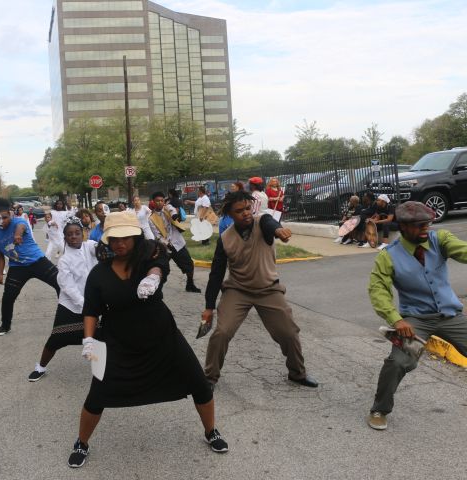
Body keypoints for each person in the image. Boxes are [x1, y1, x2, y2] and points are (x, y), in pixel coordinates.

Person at [66, 211, 228, 468]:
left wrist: (153, 277)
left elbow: (160, 263)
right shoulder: (98, 273)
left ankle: (211, 431)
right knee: (97, 394)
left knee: (199, 383)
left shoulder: (149, 255)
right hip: (114, 341)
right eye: (114, 239)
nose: (120, 244)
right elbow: (90, 311)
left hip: (162, 335)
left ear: (136, 236)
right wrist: (88, 340)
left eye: (126, 238)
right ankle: (81, 442)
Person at [202, 190, 318, 389]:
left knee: (289, 333)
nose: (246, 213)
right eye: (239, 211)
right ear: (230, 214)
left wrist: (279, 231)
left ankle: (297, 373)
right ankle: (209, 377)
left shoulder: (263, 222)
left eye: (248, 208)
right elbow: (216, 275)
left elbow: (271, 225)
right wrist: (209, 306)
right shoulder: (225, 239)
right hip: (238, 291)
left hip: (268, 289)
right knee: (221, 332)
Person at [367, 201, 467, 430]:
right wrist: (396, 320)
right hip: (415, 319)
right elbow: (378, 289)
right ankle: (379, 409)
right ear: (403, 226)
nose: (426, 229)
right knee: (398, 361)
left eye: (428, 223)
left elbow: (463, 250)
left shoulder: (440, 239)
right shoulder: (388, 256)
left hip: (450, 314)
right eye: (419, 225)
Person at [28, 216, 98, 382]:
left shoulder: (91, 246)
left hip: (94, 303)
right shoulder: (64, 260)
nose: (74, 236)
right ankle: (41, 367)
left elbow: (102, 249)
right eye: (70, 234)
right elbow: (68, 287)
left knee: (100, 335)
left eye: (77, 233)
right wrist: (85, 305)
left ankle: (99, 369)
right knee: (56, 339)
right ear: (65, 237)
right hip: (71, 305)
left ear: (83, 234)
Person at [0, 198, 60, 336]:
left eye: (5, 217)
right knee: (8, 297)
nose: (2, 220)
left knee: (62, 284)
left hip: (37, 261)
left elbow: (20, 227)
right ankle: (5, 326)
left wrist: (17, 235)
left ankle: (70, 316)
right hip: (17, 267)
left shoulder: (19, 221)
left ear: (10, 215)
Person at [148, 191, 201, 293]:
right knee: (161, 268)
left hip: (177, 243)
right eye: (157, 201)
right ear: (153, 202)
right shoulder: (151, 219)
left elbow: (172, 210)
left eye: (161, 200)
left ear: (164, 201)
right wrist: (166, 243)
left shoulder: (168, 208)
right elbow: (157, 235)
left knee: (189, 264)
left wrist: (174, 215)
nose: (159, 202)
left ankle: (190, 284)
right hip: (165, 247)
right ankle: (157, 289)